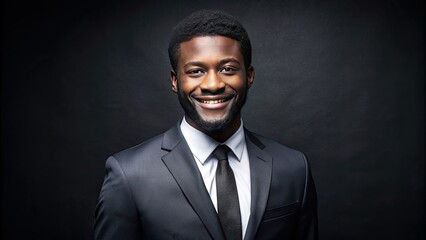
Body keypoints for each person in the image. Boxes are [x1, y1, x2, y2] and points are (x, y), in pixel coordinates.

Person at [94, 10, 318, 240]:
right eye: (196, 71)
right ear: (175, 81)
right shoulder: (129, 175)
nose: (213, 84)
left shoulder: (293, 168)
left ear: (249, 76)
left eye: (227, 69)